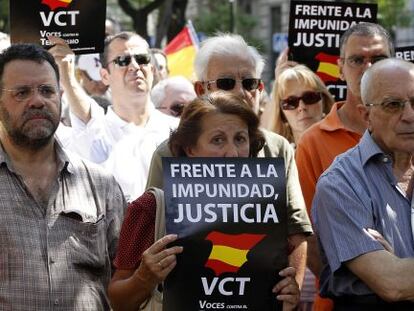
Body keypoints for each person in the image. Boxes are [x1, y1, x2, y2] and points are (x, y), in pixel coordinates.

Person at [146, 33, 312, 289]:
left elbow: (296, 231)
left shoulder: (278, 149)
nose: (240, 91)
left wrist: (294, 287)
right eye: (226, 83)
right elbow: (152, 235)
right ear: (201, 90)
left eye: (249, 82)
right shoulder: (168, 153)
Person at [108, 92, 301, 311]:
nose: (233, 153)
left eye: (240, 139)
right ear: (190, 148)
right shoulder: (151, 208)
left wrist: (288, 296)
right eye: (218, 140)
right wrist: (144, 278)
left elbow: (276, 288)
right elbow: (117, 300)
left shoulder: (268, 210)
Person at [0, 43, 126, 310]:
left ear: (60, 95)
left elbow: (125, 282)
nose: (37, 101)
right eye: (21, 92)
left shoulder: (100, 185)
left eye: (46, 91)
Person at [294, 22, 394, 310]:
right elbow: (308, 235)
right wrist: (359, 287)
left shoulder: (408, 133)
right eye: (357, 60)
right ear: (340, 67)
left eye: (378, 58)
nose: (368, 66)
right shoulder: (313, 141)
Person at [312, 58, 414, 310]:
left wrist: (401, 265)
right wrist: (395, 273)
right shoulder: (340, 184)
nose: (410, 115)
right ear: (366, 115)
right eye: (393, 105)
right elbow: (393, 283)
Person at [48, 32, 178, 201]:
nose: (134, 66)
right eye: (122, 61)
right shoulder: (96, 132)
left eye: (142, 59)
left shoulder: (179, 130)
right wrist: (66, 75)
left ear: (152, 69)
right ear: (105, 76)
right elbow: (86, 114)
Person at [262, 64, 334, 145]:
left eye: (310, 97)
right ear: (282, 114)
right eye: (290, 102)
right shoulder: (274, 154)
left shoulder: (346, 151)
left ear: (323, 101)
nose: (302, 107)